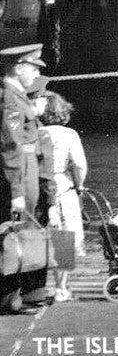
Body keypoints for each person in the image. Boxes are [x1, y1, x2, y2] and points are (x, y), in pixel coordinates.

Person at [0, 43, 53, 314]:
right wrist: (17, 190)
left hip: (27, 168)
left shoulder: (16, 94)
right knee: (14, 233)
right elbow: (10, 145)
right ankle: (10, 295)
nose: (35, 74)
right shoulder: (10, 97)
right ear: (18, 67)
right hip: (21, 170)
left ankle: (18, 292)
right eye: (33, 68)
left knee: (22, 232)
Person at [38, 92, 86, 303]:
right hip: (62, 186)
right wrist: (79, 186)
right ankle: (61, 288)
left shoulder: (36, 132)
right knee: (64, 239)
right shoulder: (69, 135)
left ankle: (37, 287)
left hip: (38, 185)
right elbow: (78, 165)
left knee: (42, 237)